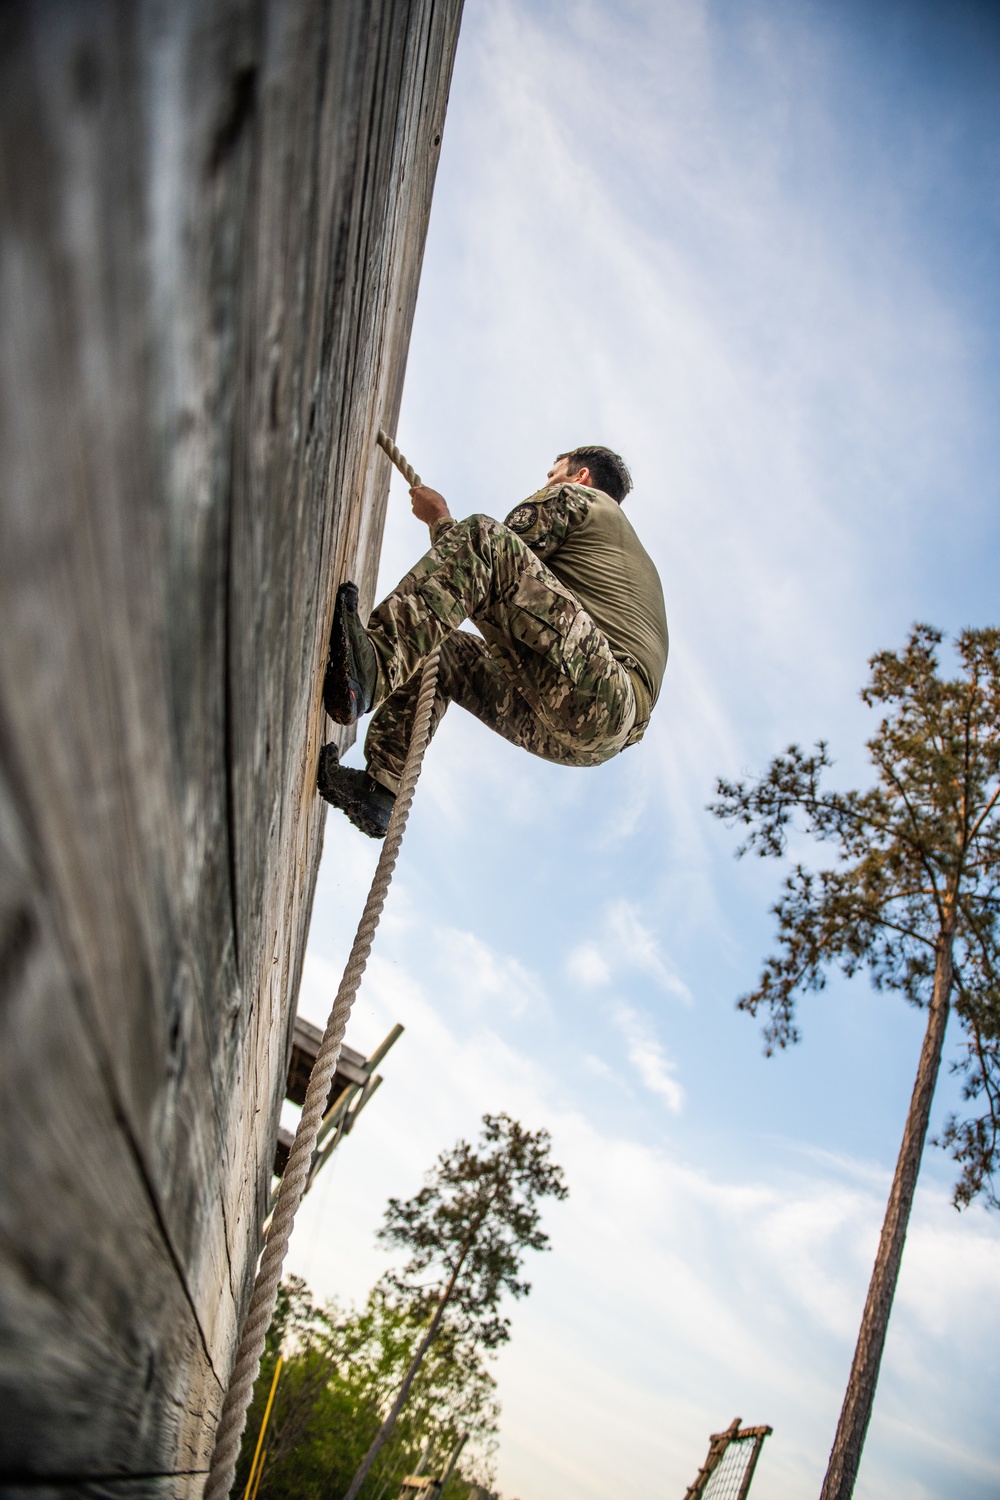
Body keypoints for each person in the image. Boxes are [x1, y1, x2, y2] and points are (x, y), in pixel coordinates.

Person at [318, 444, 668, 837]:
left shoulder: (580, 498)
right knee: (443, 652)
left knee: (483, 533)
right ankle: (380, 788)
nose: (548, 483)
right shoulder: (614, 548)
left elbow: (485, 556)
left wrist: (439, 518)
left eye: (553, 474)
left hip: (605, 688)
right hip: (590, 738)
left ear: (580, 475)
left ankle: (371, 668)